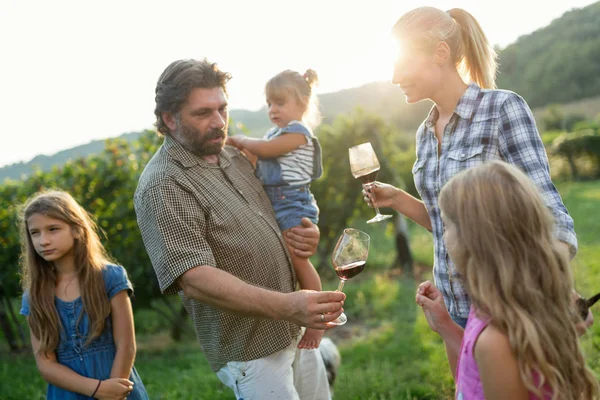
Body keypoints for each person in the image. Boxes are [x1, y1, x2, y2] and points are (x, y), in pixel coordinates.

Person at [133, 58, 345, 400]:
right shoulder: (163, 183)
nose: (219, 122)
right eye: (203, 113)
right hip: (252, 350)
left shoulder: (233, 155)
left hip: (295, 327)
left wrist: (307, 234)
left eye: (222, 109)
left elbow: (278, 212)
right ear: (169, 119)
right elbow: (195, 278)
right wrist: (288, 305)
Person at [363, 6, 583, 329]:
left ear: (440, 53)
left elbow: (550, 214)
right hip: (455, 307)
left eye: (402, 64)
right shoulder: (425, 133)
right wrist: (397, 199)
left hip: (507, 308)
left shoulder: (502, 110)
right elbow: (447, 221)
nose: (395, 78)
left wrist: (553, 287)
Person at [415, 160, 600, 399]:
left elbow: (493, 359)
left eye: (447, 225)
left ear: (475, 241)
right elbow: (479, 369)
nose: (442, 234)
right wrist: (446, 326)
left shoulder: (496, 340)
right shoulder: (495, 308)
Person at [227, 68, 324, 349]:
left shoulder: (298, 134)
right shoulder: (274, 133)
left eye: (280, 103)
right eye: (269, 103)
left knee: (298, 259)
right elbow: (259, 162)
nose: (273, 109)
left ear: (302, 103)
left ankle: (317, 322)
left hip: (293, 206)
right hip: (277, 207)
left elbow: (267, 150)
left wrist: (244, 142)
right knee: (286, 261)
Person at [18, 190, 148, 400]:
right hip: (67, 393)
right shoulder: (34, 296)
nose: (44, 240)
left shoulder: (110, 277)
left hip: (118, 387)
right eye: (35, 232)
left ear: (77, 229)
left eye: (53, 229)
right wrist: (97, 389)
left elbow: (127, 345)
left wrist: (112, 393)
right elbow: (46, 364)